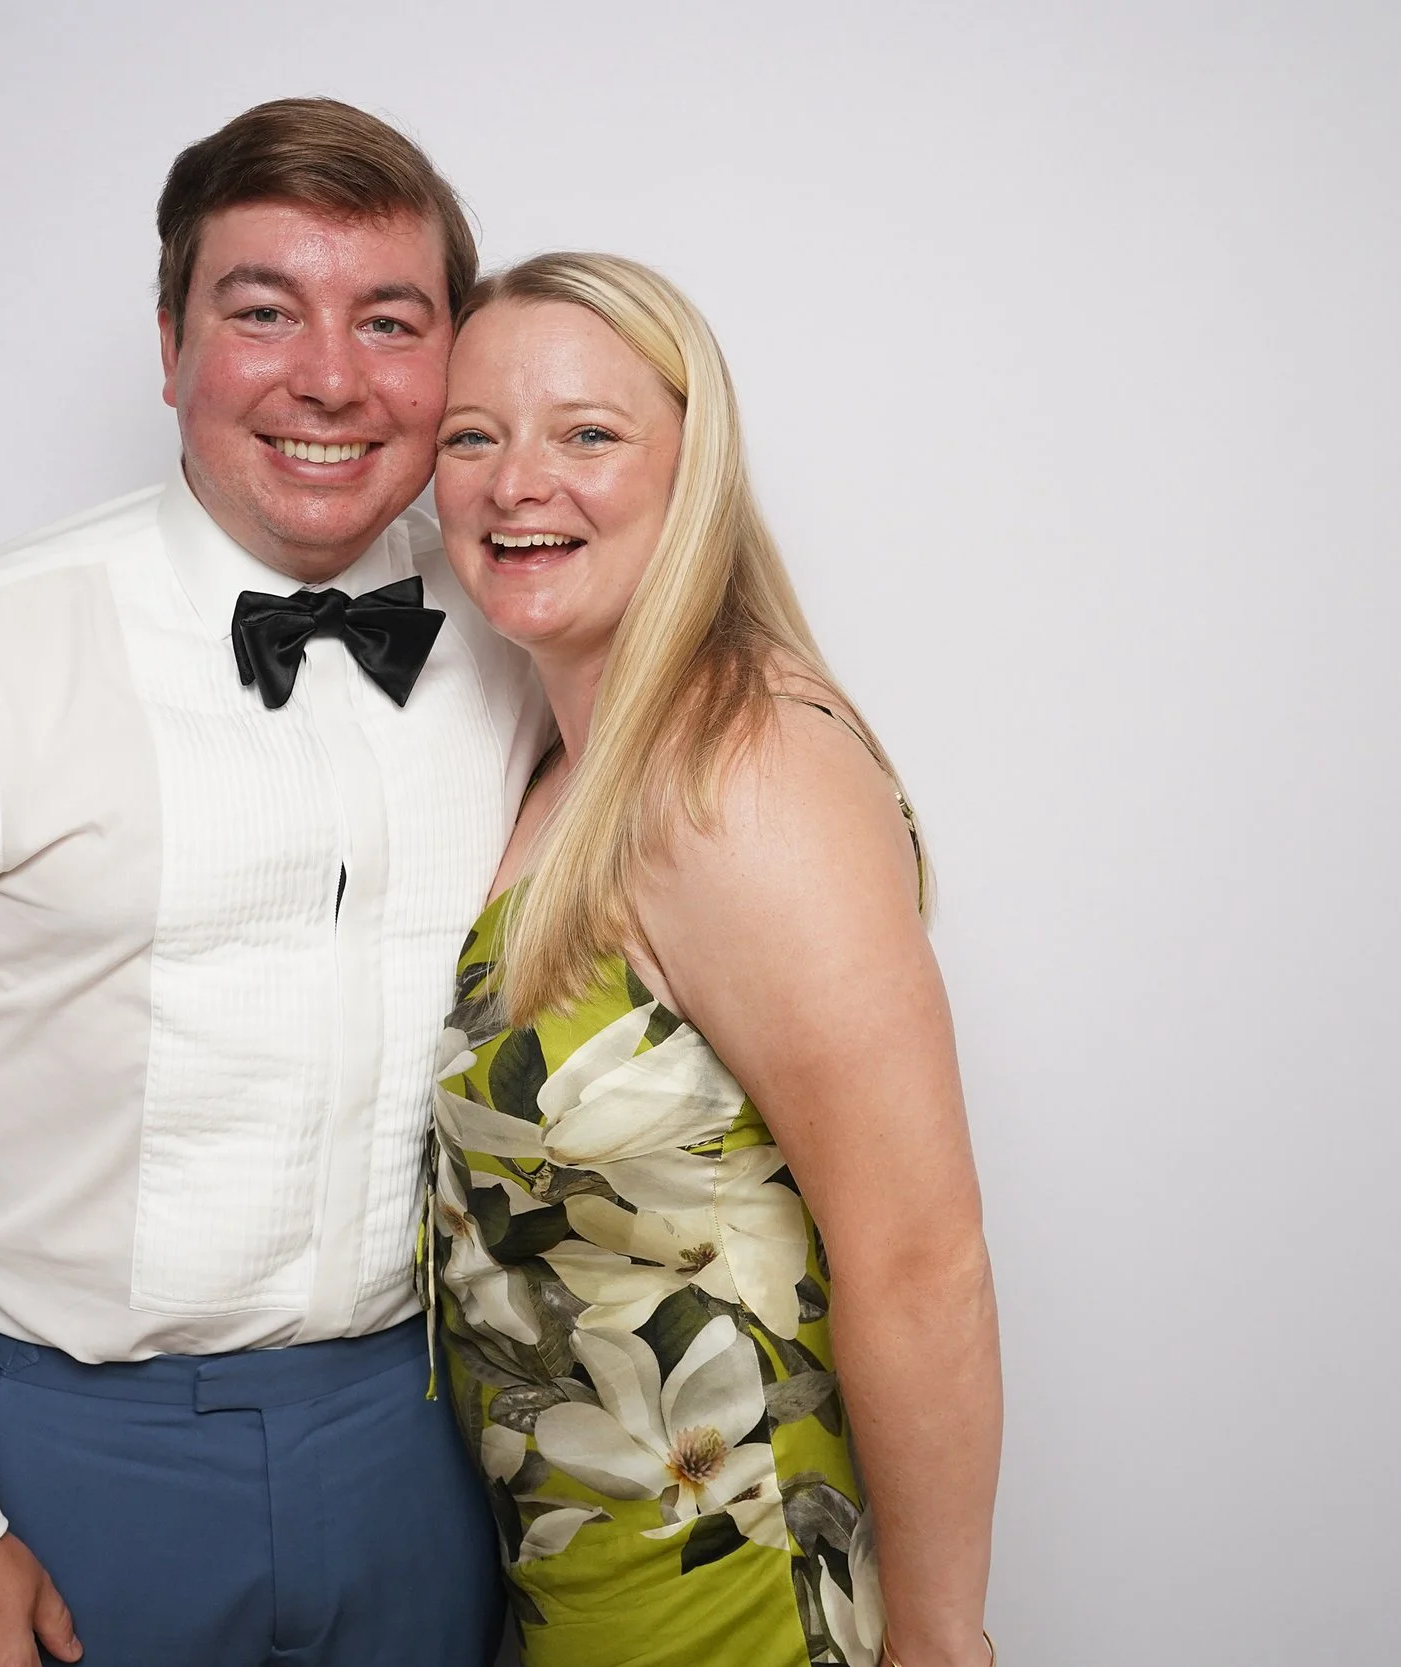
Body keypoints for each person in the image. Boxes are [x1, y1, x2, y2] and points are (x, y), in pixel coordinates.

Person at [0, 98, 550, 1667]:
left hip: (430, 1446)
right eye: (262, 312)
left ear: (455, 360)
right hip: (61, 1457)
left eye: (390, 320)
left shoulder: (526, 641)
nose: (328, 376)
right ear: (169, 345)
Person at [423, 253, 1002, 1667]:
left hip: (739, 1585)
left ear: (696, 469)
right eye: (471, 435)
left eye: (588, 434)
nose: (517, 482)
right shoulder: (570, 760)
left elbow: (919, 1259)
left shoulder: (742, 773)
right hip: (589, 1586)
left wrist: (939, 1642)